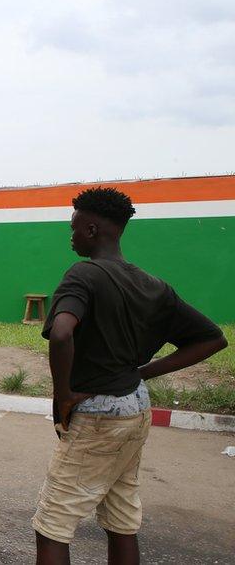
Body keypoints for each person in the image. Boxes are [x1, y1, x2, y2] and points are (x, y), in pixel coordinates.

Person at [33, 187, 228, 564]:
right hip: (135, 407)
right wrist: (142, 372)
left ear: (91, 230)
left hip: (97, 415)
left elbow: (61, 332)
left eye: (74, 227)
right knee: (121, 518)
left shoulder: (83, 275)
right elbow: (212, 339)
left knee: (52, 526)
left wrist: (64, 396)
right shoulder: (152, 285)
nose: (70, 235)